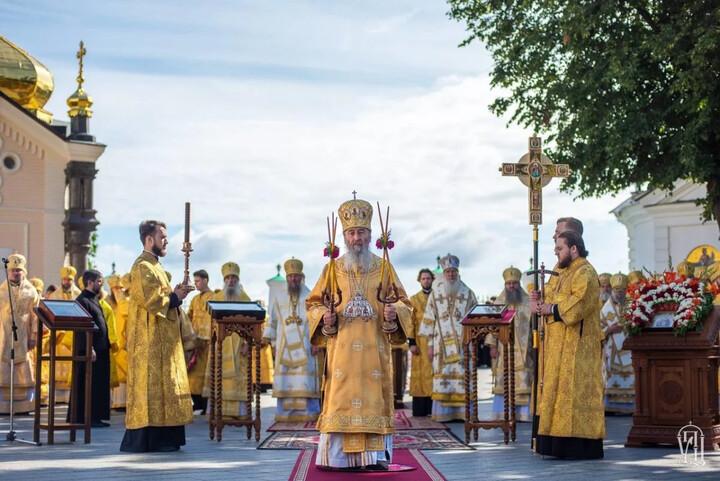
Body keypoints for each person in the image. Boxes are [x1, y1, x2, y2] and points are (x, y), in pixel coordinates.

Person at [306, 196, 412, 470]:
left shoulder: (384, 267)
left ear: (370, 234)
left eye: (362, 232)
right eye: (352, 232)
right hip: (341, 350)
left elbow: (404, 303)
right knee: (341, 397)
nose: (357, 238)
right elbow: (314, 304)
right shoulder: (332, 269)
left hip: (374, 350)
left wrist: (394, 313)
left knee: (374, 398)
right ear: (344, 236)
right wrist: (324, 317)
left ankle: (374, 458)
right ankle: (338, 459)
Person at [120, 220, 194, 453]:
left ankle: (166, 438)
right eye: (162, 237)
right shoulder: (142, 266)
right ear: (149, 239)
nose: (167, 241)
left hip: (164, 339)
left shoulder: (156, 266)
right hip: (150, 340)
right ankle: (151, 440)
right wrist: (176, 296)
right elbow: (152, 300)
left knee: (167, 386)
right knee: (151, 388)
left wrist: (176, 293)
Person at [532, 231, 605, 459]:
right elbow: (551, 297)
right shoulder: (561, 270)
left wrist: (551, 308)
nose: (556, 252)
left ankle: (577, 447)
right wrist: (539, 300)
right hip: (557, 344)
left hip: (578, 346)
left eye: (559, 248)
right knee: (558, 392)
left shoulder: (585, 271)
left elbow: (581, 302)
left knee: (574, 392)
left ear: (574, 248)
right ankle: (555, 445)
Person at [419, 253, 477, 422]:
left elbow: (475, 319)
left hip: (463, 344)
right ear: (443, 274)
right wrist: (430, 345)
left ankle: (463, 413)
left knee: (463, 375)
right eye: (448, 272)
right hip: (440, 344)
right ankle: (443, 414)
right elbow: (429, 319)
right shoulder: (435, 293)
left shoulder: (468, 293)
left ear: (458, 272)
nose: (451, 274)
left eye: (453, 271)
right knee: (442, 377)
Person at [263, 258, 321, 422]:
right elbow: (273, 320)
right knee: (285, 379)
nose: (293, 279)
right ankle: (285, 413)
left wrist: (317, 341)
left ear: (301, 277)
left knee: (305, 378)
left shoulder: (311, 297)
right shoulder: (279, 297)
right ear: (287, 278)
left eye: (296, 276)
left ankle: (309, 412)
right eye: (290, 276)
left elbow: (318, 321)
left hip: (306, 345)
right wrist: (272, 343)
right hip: (284, 346)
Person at [201, 262, 252, 418]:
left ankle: (239, 413)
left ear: (238, 279)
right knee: (219, 378)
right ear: (224, 280)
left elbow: (252, 323)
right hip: (220, 343)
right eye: (228, 278)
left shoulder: (245, 298)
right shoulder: (216, 298)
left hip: (239, 344)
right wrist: (211, 340)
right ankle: (219, 412)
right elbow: (210, 322)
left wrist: (248, 344)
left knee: (238, 380)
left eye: (233, 278)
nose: (230, 281)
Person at [486, 266, 534, 422]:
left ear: (519, 284)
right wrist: (492, 345)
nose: (511, 286)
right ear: (505, 285)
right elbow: (492, 326)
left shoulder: (528, 301)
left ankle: (524, 414)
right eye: (509, 283)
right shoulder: (499, 302)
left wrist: (535, 346)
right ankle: (503, 413)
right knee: (504, 379)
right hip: (504, 348)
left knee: (525, 379)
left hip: (525, 348)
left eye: (514, 283)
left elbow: (535, 326)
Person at [69, 269, 111, 427]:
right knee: (89, 384)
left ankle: (97, 416)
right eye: (99, 281)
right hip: (90, 350)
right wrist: (89, 348)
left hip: (100, 349)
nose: (101, 284)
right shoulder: (82, 300)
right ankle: (86, 417)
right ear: (90, 282)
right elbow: (82, 327)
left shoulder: (93, 299)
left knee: (98, 384)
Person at [0, 254, 39, 414]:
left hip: (24, 338)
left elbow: (36, 317)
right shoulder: (1, 291)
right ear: (8, 272)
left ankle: (24, 407)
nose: (16, 273)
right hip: (2, 338)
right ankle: (3, 407)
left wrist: (33, 338)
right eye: (13, 270)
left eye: (19, 270)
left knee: (24, 369)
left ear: (24, 272)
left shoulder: (32, 292)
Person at [43, 265, 82, 404]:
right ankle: (56, 397)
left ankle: (70, 396)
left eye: (69, 280)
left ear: (73, 280)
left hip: (73, 334)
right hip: (58, 334)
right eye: (64, 279)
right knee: (57, 363)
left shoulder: (79, 294)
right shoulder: (55, 295)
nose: (66, 282)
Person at [600, 273, 633, 414]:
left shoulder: (632, 306)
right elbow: (597, 331)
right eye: (616, 291)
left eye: (621, 291)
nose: (618, 293)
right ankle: (610, 407)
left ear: (626, 291)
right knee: (611, 375)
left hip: (630, 349)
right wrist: (609, 330)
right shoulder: (604, 310)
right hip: (611, 349)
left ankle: (631, 407)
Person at [407, 268, 434, 417]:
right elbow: (410, 322)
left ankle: (433, 409)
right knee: (420, 376)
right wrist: (411, 342)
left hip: (435, 341)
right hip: (419, 342)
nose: (426, 281)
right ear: (419, 280)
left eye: (428, 278)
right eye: (423, 279)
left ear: (432, 280)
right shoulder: (414, 299)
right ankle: (420, 410)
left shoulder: (437, 297)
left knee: (433, 374)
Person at [187, 269, 214, 414]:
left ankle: (205, 405)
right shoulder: (194, 299)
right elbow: (188, 317)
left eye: (198, 281)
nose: (196, 284)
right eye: (195, 281)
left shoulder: (214, 297)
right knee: (192, 374)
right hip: (195, 342)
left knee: (205, 374)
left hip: (208, 343)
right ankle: (196, 402)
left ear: (205, 280)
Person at [109, 273, 130, 410]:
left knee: (125, 371)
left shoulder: (125, 302)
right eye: (114, 288)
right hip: (114, 341)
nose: (117, 291)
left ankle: (124, 402)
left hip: (124, 342)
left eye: (119, 288)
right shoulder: (108, 301)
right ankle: (116, 401)